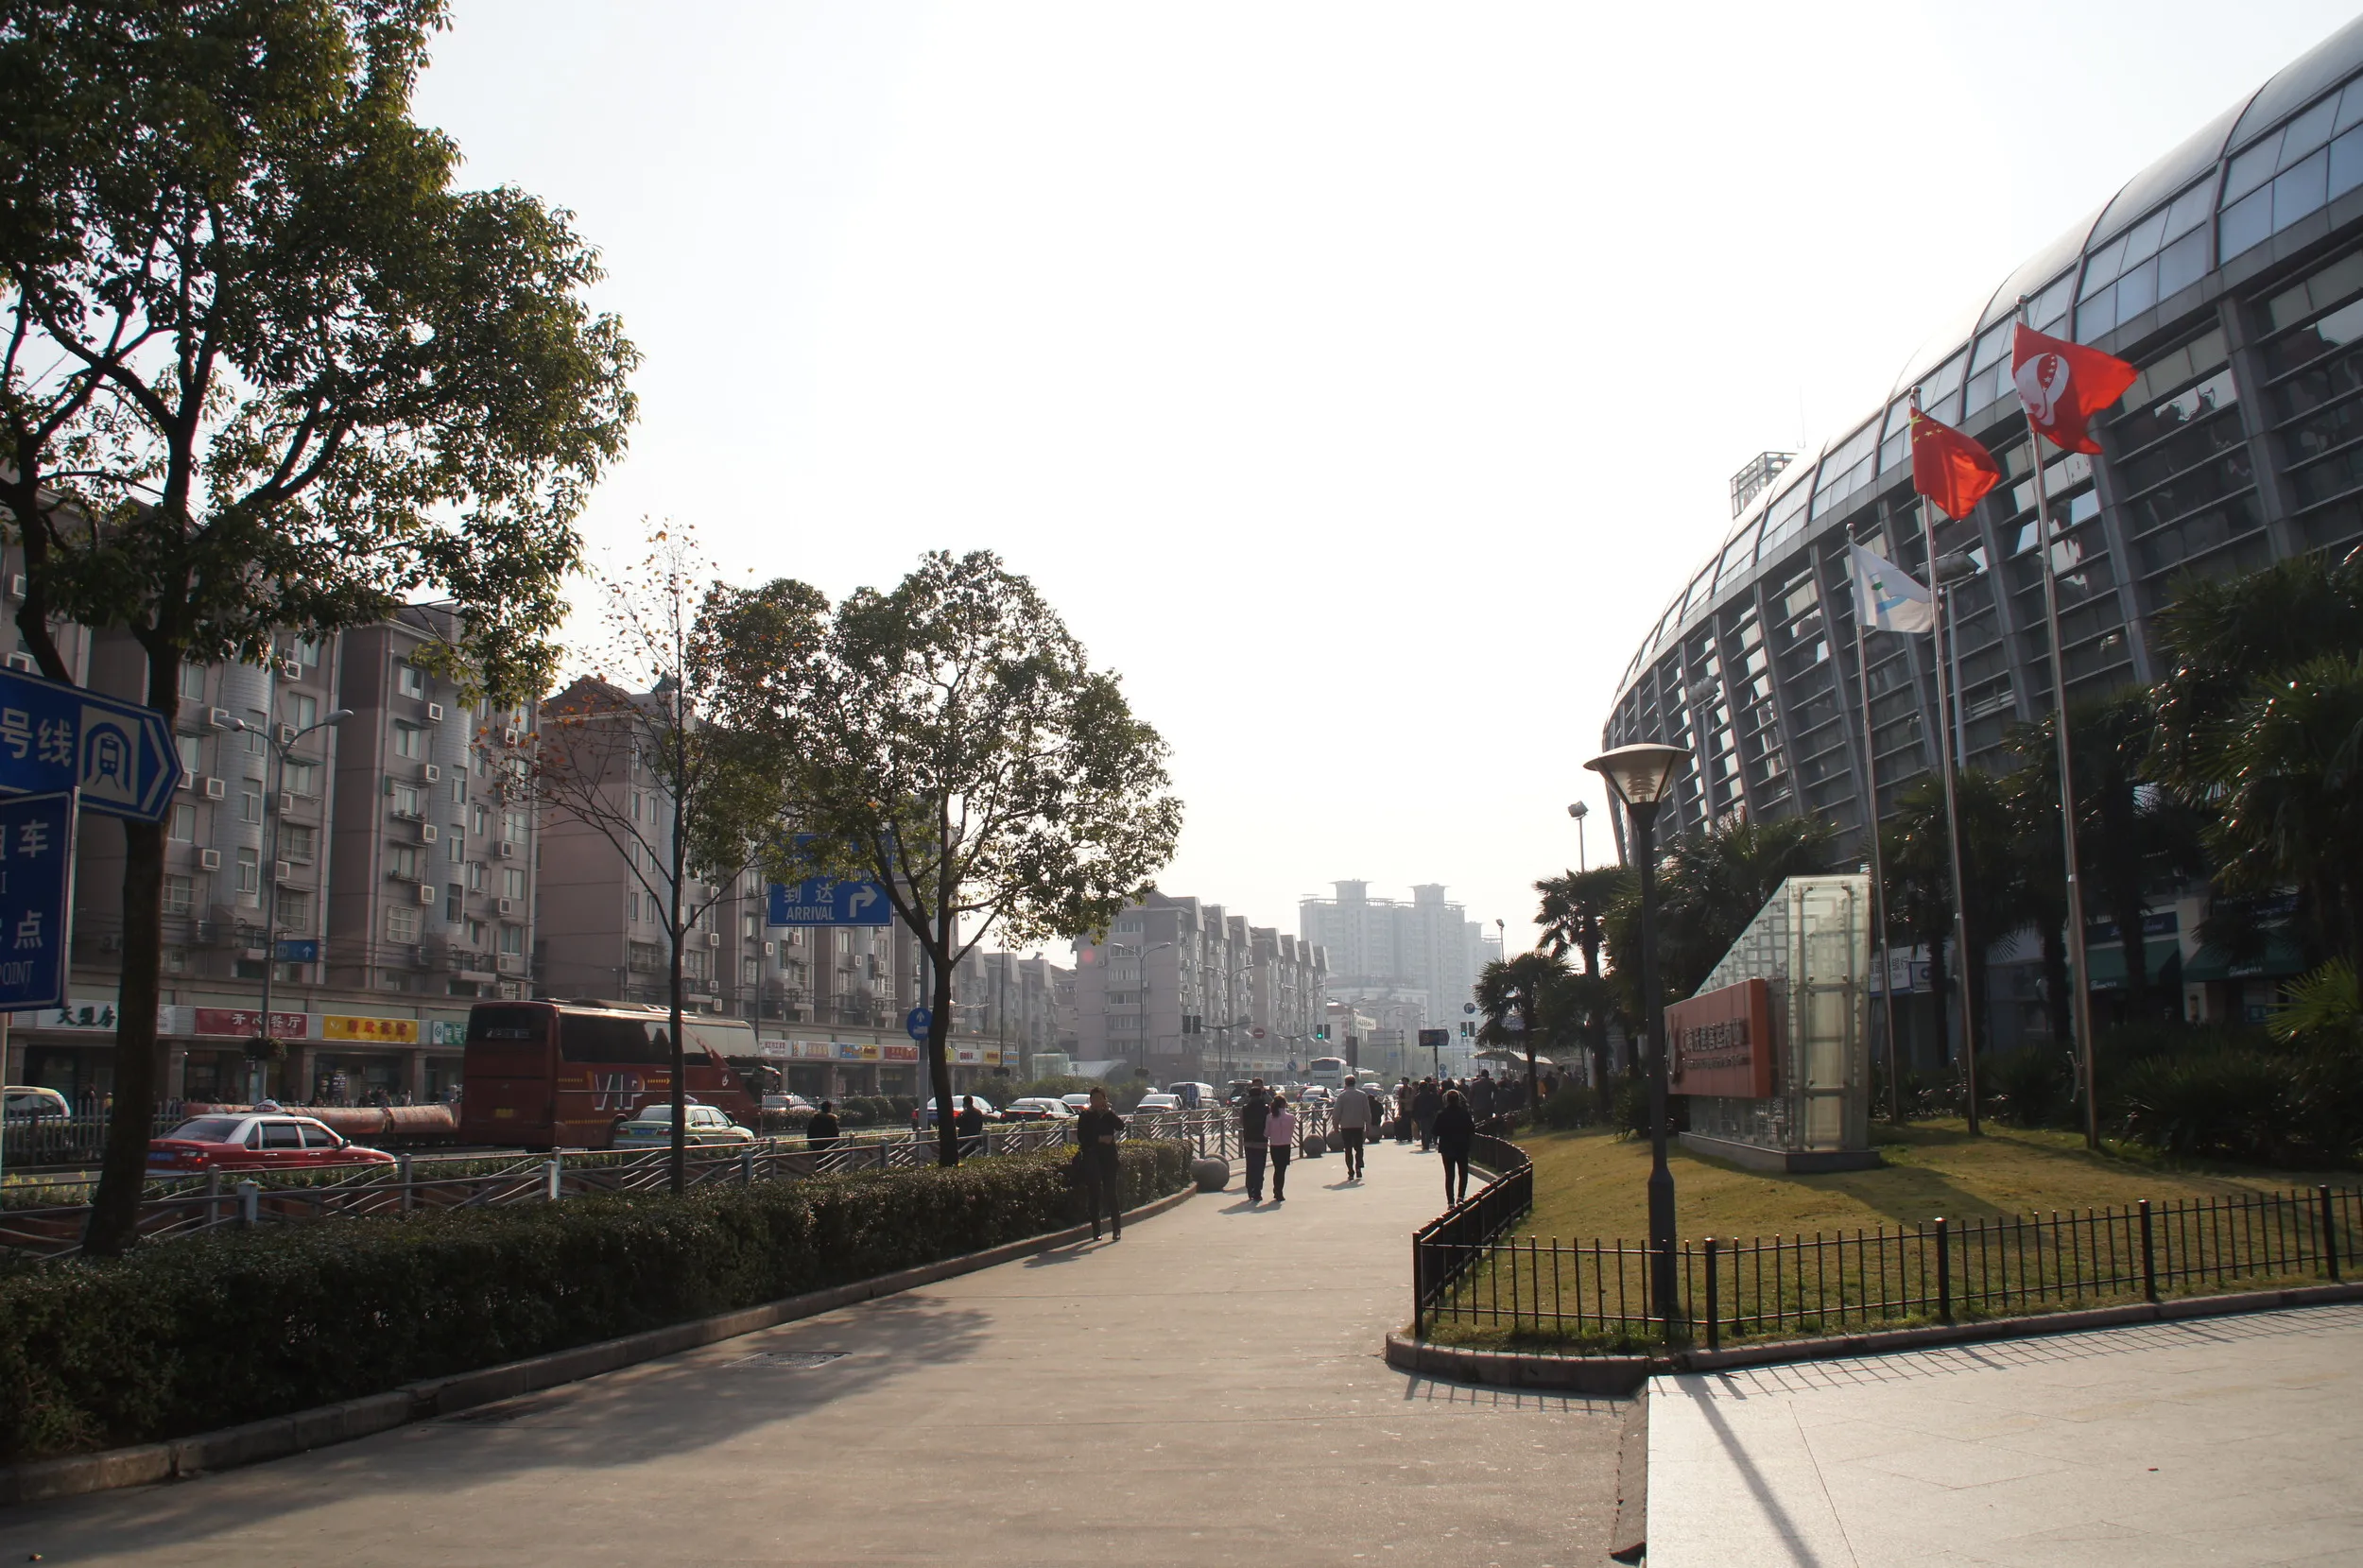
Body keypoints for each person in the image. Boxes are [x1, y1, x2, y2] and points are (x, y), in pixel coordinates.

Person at [1076, 1086, 1126, 1239]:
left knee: (1111, 1194)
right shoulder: (1085, 1116)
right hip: (1092, 1160)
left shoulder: (1108, 1115)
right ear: (1090, 1101)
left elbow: (1120, 1126)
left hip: (1109, 1160)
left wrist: (1109, 1113)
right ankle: (1096, 1231)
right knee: (1094, 1196)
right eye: (1094, 1099)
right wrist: (1099, 1139)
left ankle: (1116, 1230)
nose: (1096, 1102)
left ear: (1105, 1099)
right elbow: (1081, 1137)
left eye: (1099, 1098)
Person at [1432, 1088, 1476, 1205]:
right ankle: (1460, 1197)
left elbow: (1435, 1131)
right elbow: (1472, 1129)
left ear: (1446, 1100)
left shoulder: (1441, 1114)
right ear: (1458, 1100)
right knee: (1463, 1173)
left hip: (1447, 1148)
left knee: (1449, 1175)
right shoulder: (1464, 1113)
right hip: (1462, 1146)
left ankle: (1450, 1201)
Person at [1333, 1074, 1372, 1180]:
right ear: (1355, 1083)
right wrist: (1368, 1124)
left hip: (1345, 1126)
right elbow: (1366, 1111)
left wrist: (1335, 1125)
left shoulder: (1342, 1096)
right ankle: (1359, 1166)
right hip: (1359, 1126)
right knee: (1359, 1148)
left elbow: (1336, 1112)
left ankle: (1350, 1171)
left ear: (1345, 1083)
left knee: (1348, 1149)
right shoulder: (1362, 1095)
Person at [1239, 1077, 1271, 1202]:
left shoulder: (1245, 1108)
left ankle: (1250, 1189)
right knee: (1260, 1167)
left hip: (1248, 1141)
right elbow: (1269, 1122)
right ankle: (1257, 1191)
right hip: (1261, 1141)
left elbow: (1241, 1122)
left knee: (1250, 1166)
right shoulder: (1266, 1108)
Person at [1265, 1092, 1296, 1203]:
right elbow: (1291, 1131)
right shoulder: (1291, 1117)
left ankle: (1277, 1190)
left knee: (1277, 1169)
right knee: (1282, 1170)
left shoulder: (1270, 1117)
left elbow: (1266, 1133)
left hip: (1274, 1145)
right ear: (1284, 1104)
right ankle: (1279, 1191)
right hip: (1286, 1145)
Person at [1412, 1077, 1442, 1151]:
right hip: (1431, 1114)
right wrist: (1437, 1110)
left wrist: (1414, 1116)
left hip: (1421, 1115)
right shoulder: (1432, 1095)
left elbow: (1414, 1107)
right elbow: (1436, 1105)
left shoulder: (1418, 1096)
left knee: (1423, 1130)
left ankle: (1425, 1144)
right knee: (1429, 1129)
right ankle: (1428, 1141)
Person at [956, 1095, 987, 1160]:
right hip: (974, 1137)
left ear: (964, 1103)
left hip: (964, 1139)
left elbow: (958, 1123)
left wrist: (961, 1113)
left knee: (963, 1156)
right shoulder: (978, 1112)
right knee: (972, 1156)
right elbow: (980, 1125)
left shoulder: (965, 1113)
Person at [1393, 1077, 1414, 1144]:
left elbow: (1411, 1099)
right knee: (1402, 1124)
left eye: (1405, 1081)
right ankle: (1402, 1137)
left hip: (1409, 1109)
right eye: (1403, 1081)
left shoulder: (1410, 1090)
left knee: (1408, 1124)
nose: (1403, 1083)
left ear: (1407, 1082)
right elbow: (1399, 1099)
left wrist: (1402, 1101)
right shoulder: (1401, 1090)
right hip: (1402, 1109)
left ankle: (1409, 1137)